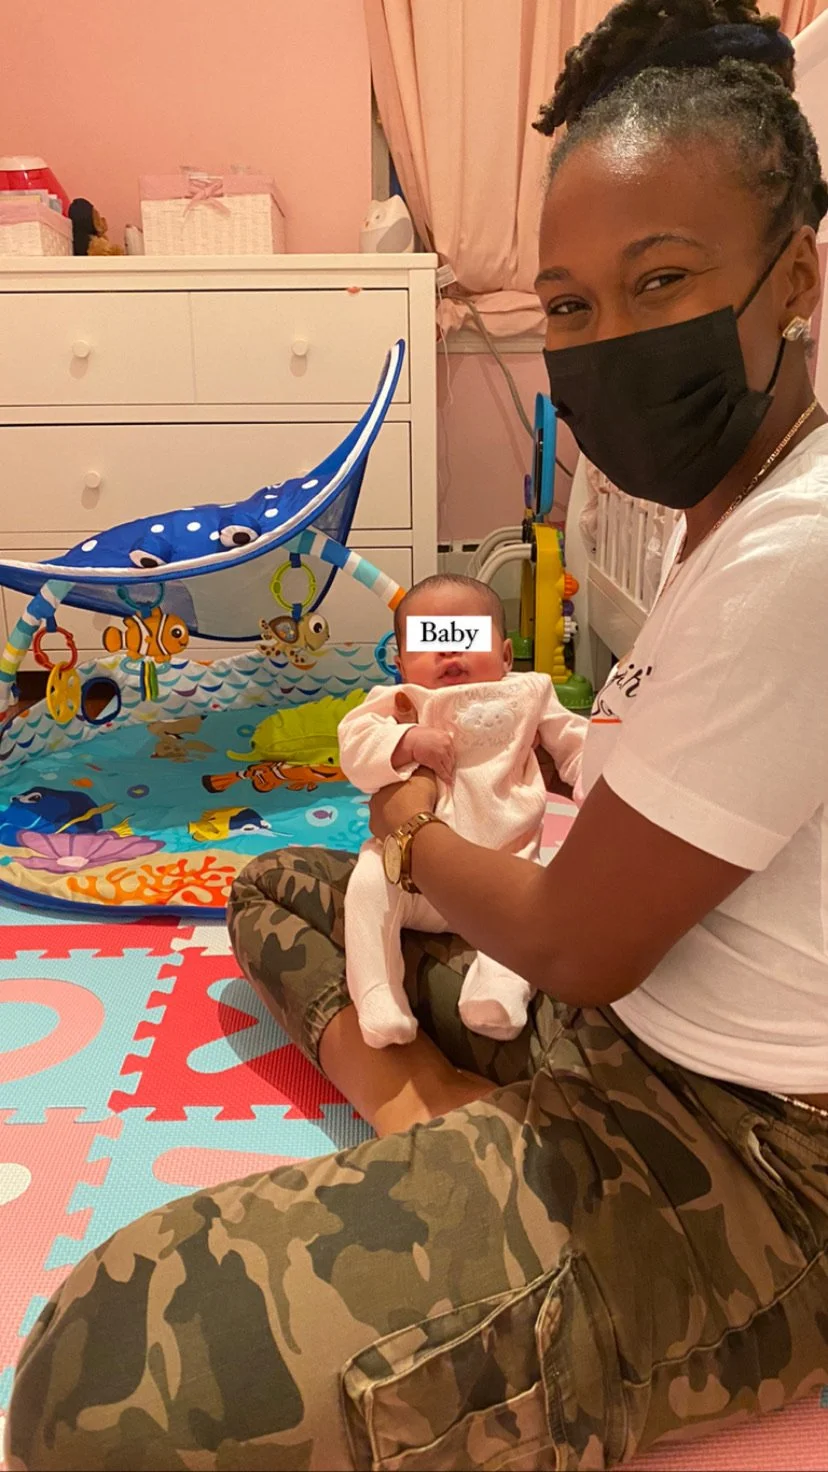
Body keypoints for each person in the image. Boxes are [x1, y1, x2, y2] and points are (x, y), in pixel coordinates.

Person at [7, 1, 828, 1467]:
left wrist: (408, 822)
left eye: (663, 282)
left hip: (753, 1162)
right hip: (610, 1034)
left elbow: (576, 939)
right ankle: (441, 1115)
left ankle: (493, 1176)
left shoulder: (801, 552)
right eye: (570, 307)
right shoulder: (727, 537)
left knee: (103, 1377)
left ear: (798, 277)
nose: (610, 342)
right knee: (274, 890)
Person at [339, 574, 585, 1047]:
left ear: (507, 655)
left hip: (502, 870)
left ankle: (497, 992)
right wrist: (404, 740)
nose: (449, 652)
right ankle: (377, 994)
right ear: (401, 664)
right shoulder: (402, 701)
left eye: (465, 635)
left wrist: (596, 774)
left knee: (531, 914)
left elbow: (574, 740)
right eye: (430, 640)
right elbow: (355, 746)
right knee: (367, 883)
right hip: (412, 874)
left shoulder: (529, 692)